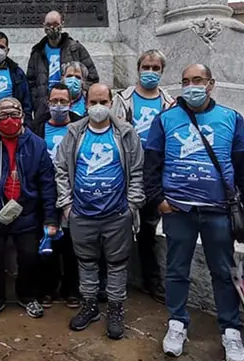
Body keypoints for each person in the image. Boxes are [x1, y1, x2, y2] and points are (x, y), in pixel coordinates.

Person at [144, 64, 244, 361]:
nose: (191, 86)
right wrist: (158, 199)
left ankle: (230, 330)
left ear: (210, 84)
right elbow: (152, 164)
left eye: (197, 80)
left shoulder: (230, 118)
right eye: (185, 81)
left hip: (218, 212)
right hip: (178, 210)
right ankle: (177, 323)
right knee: (176, 270)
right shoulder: (165, 119)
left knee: (223, 272)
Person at [54, 83, 145, 340]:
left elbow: (137, 171)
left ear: (111, 102)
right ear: (84, 103)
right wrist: (67, 205)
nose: (98, 107)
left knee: (116, 264)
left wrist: (131, 206)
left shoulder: (126, 133)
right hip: (82, 214)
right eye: (93, 102)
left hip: (117, 214)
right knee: (86, 262)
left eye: (103, 102)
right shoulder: (74, 132)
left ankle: (116, 309)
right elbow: (61, 169)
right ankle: (90, 305)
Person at [0, 98, 58, 323]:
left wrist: (50, 218)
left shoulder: (36, 144)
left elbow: (47, 183)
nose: (9, 120)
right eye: (3, 116)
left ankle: (27, 295)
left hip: (26, 213)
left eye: (14, 115)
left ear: (23, 117)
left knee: (28, 255)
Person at [112, 49, 174, 304]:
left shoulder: (169, 103)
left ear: (161, 71)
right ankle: (117, 281)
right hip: (127, 168)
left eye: (155, 68)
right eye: (146, 67)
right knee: (120, 226)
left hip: (155, 171)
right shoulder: (124, 99)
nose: (150, 72)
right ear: (138, 69)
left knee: (148, 228)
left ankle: (151, 281)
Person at [31, 83, 84, 309]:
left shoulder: (80, 127)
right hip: (44, 194)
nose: (59, 106)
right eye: (55, 101)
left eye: (63, 101)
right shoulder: (37, 128)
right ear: (48, 102)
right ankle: (47, 288)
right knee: (46, 244)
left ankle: (71, 288)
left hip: (72, 194)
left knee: (71, 246)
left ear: (70, 103)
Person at [27, 10, 99, 120]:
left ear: (62, 24)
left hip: (72, 106)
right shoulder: (37, 51)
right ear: (43, 26)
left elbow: (93, 77)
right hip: (44, 108)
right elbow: (30, 82)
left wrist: (78, 91)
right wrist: (38, 101)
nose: (52, 28)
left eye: (55, 24)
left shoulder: (75, 48)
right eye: (49, 25)